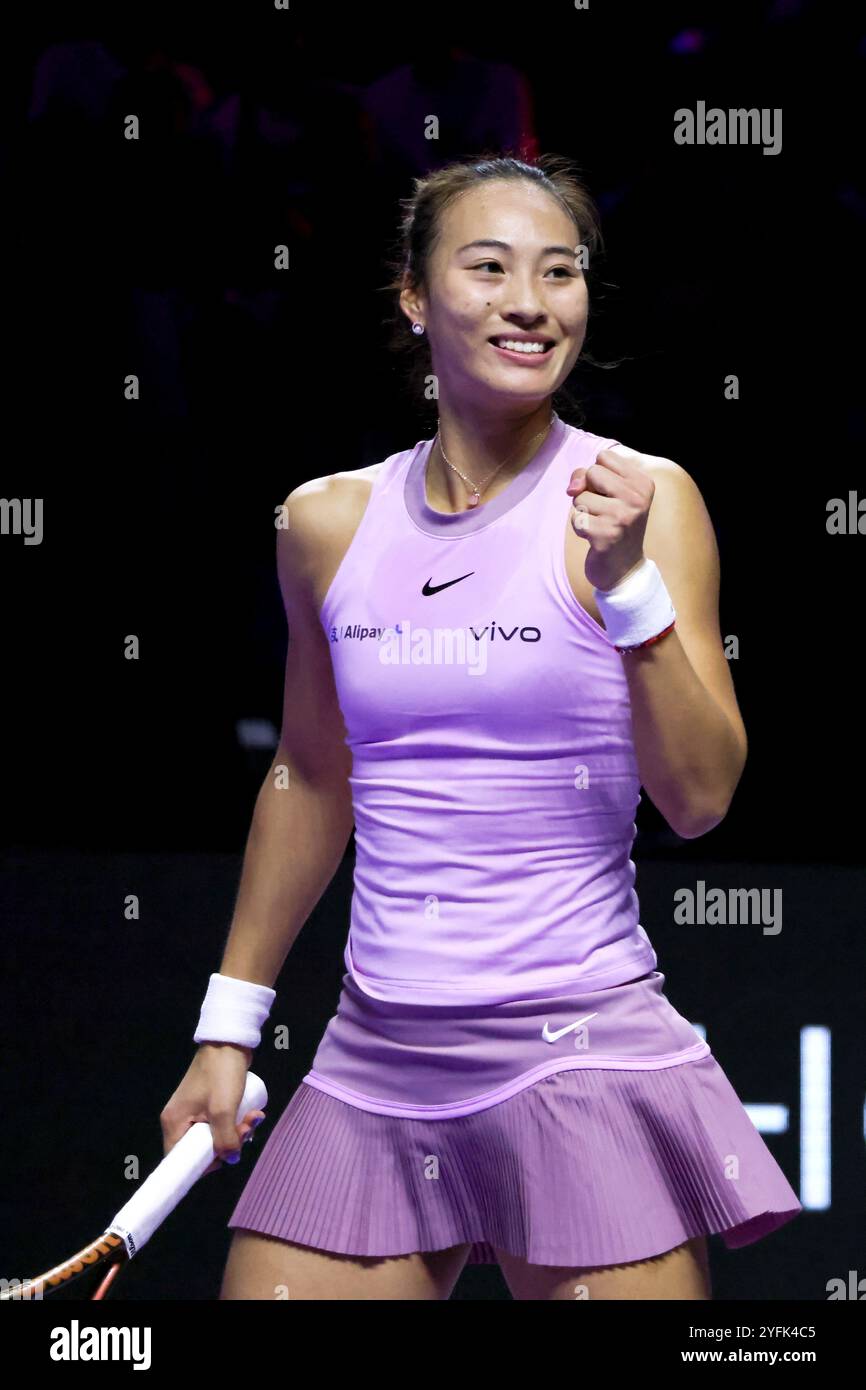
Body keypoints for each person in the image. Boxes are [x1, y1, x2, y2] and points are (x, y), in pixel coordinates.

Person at [160, 153, 801, 1300]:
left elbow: (700, 799)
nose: (529, 301)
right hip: (373, 1062)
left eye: (559, 273)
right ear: (414, 297)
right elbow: (311, 778)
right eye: (489, 266)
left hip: (580, 1060)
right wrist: (228, 1029)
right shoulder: (322, 521)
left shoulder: (642, 500)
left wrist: (628, 590)